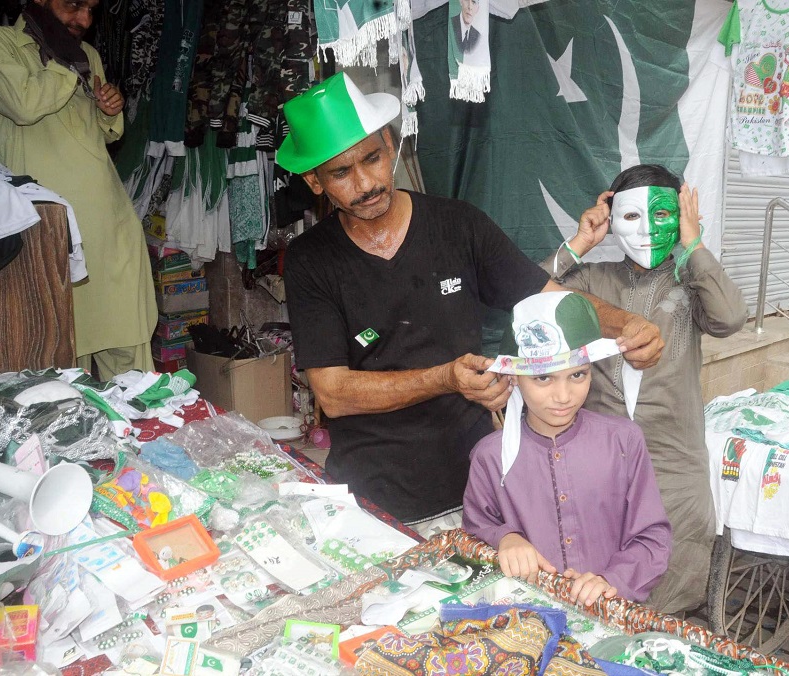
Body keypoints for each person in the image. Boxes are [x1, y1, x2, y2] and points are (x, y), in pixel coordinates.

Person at [276, 72, 663, 536]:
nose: (365, 183)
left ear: (388, 142)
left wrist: (626, 325)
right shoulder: (309, 260)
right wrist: (445, 378)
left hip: (478, 488)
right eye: (341, 173)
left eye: (373, 158)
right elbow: (333, 394)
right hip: (376, 500)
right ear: (315, 182)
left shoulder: (459, 226)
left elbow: (548, 296)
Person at [541, 164, 747, 613]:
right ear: (612, 219)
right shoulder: (593, 278)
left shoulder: (691, 282)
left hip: (673, 462)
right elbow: (531, 299)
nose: (649, 230)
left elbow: (730, 317)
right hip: (596, 462)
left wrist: (693, 245)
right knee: (596, 588)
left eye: (663, 215)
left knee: (669, 587)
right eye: (632, 217)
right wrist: (580, 243)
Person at [0, 0, 156, 381]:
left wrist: (109, 110)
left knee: (129, 358)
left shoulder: (86, 54)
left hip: (108, 226)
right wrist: (67, 65)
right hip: (47, 231)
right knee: (58, 370)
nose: (85, 20)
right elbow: (24, 104)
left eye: (91, 9)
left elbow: (104, 134)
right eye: (74, 5)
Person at [463, 291, 672, 606]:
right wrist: (505, 538)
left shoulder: (623, 441)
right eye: (543, 378)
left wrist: (611, 580)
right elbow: (477, 526)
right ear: (515, 378)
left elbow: (652, 538)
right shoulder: (489, 457)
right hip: (526, 618)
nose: (563, 396)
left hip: (612, 612)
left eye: (577, 374)